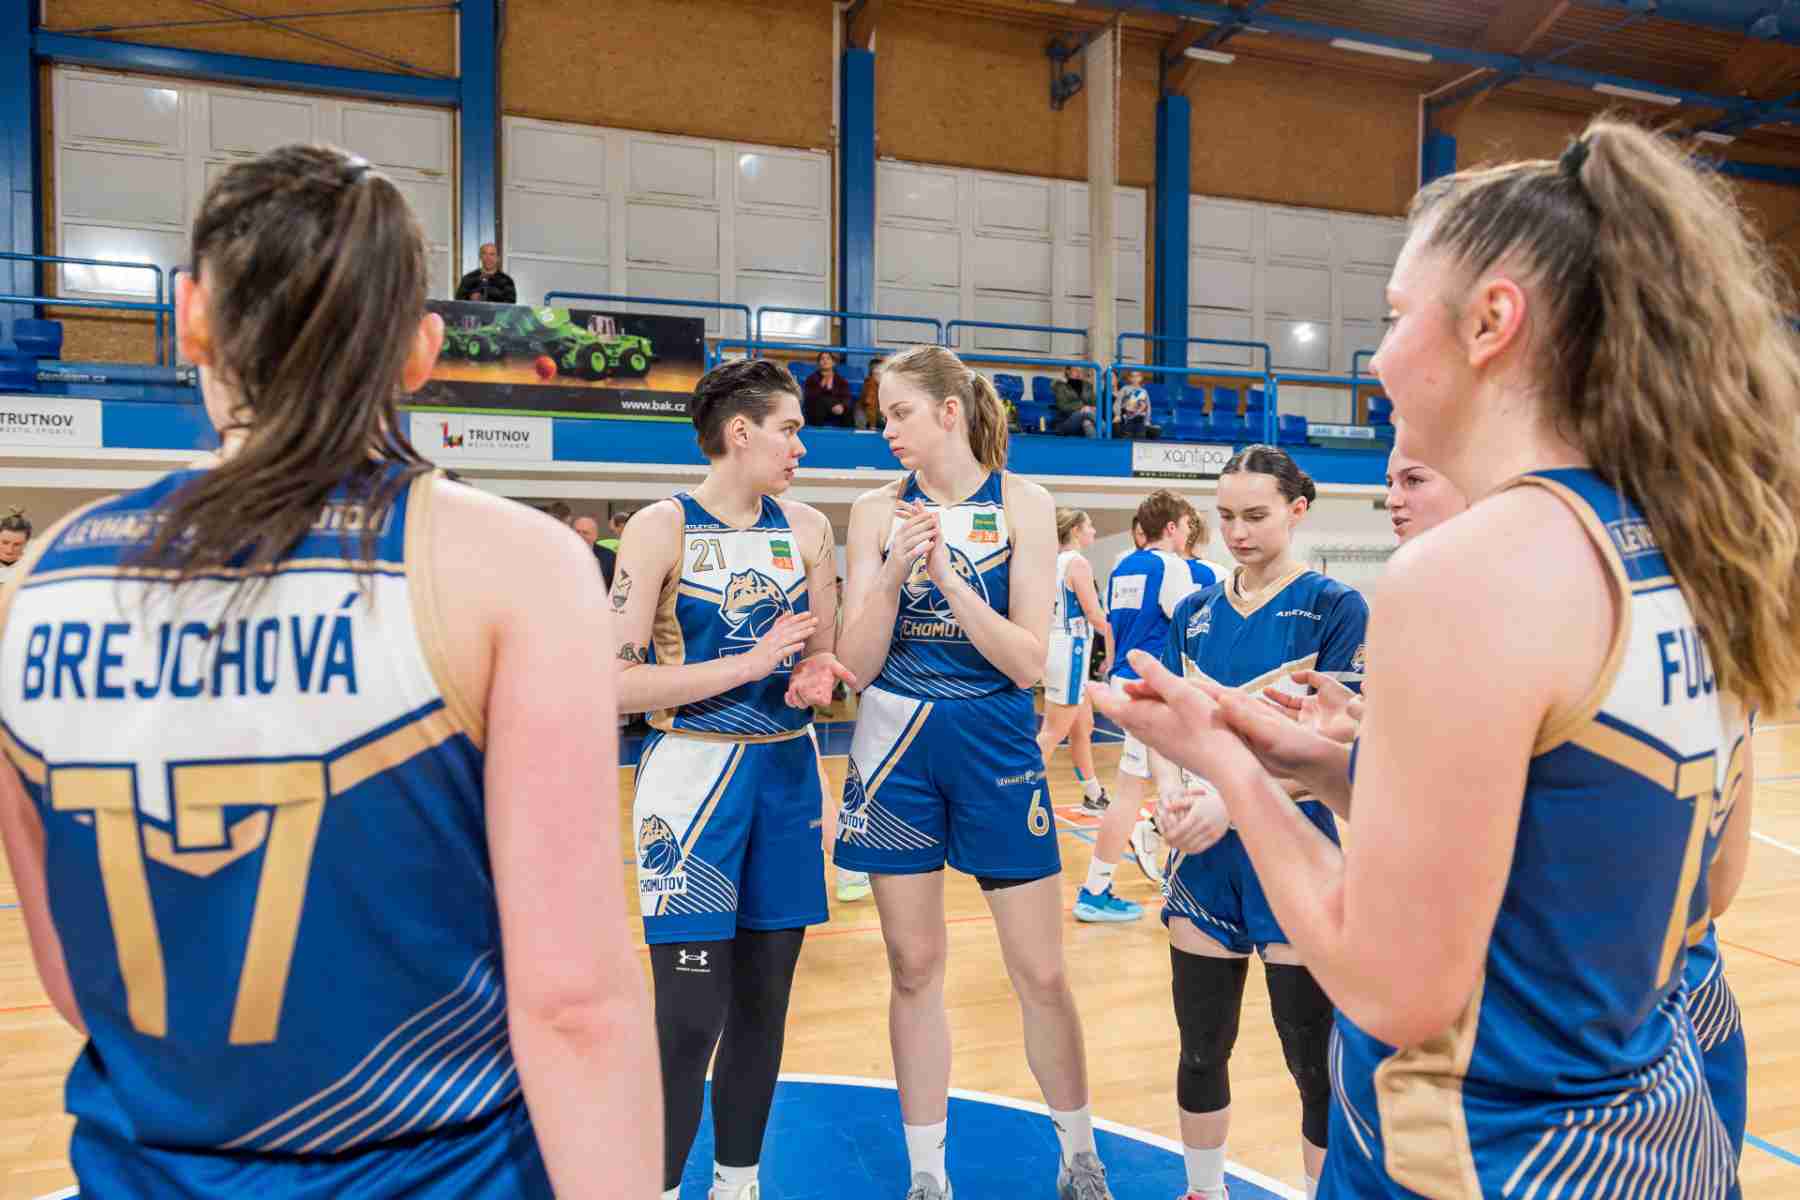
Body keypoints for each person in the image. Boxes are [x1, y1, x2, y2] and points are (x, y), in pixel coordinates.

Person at [1094, 120, 1798, 1198]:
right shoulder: (1684, 547)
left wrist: (1222, 762)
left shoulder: (1470, 572)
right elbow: (1657, 867)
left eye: (1393, 317)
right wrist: (1311, 760)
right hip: (1658, 1140)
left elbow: (1392, 988)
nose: (1377, 359)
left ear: (1490, 323)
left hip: (1486, 1157)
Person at [0, 144, 657, 1197]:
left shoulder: (40, 579)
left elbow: (79, 986)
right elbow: (572, 1003)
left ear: (191, 317)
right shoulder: (514, 566)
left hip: (147, 1171)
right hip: (440, 1170)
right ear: (423, 350)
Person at [832, 344, 1114, 1200]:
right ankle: (928, 1173)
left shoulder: (1024, 503)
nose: (887, 431)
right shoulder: (873, 511)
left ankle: (1080, 1156)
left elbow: (1028, 662)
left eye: (900, 413)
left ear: (949, 412)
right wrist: (890, 573)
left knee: (1042, 972)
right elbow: (854, 664)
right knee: (913, 968)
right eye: (882, 416)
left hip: (994, 743)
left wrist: (952, 585)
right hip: (893, 747)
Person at [611, 357, 855, 1200]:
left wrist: (817, 677)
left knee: (764, 1005)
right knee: (687, 1019)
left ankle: (736, 1184)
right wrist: (746, 665)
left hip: (786, 775)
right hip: (690, 780)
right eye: (790, 429)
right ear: (740, 432)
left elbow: (821, 658)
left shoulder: (810, 528)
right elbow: (615, 683)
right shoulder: (660, 527)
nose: (801, 446)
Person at [1145, 446, 1368, 1200]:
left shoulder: (1336, 607)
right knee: (1201, 1047)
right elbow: (1169, 726)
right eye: (1225, 517)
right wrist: (1172, 796)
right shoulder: (1195, 612)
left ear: (1297, 511)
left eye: (1255, 516)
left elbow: (1336, 750)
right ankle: (1203, 1191)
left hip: (1296, 856)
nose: (1237, 532)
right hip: (1205, 863)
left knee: (1312, 1065)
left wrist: (1235, 798)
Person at [1080, 490, 1214, 921]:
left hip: (1124, 676)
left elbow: (1113, 626)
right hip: (1150, 685)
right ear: (1172, 527)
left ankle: (1105, 881)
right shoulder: (1170, 566)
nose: (1189, 532)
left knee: (1148, 785)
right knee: (1166, 785)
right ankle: (1105, 888)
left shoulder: (1123, 565)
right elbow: (1191, 621)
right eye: (1186, 525)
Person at [1037, 508, 1112, 816]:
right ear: (1076, 530)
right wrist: (1116, 641)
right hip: (1071, 648)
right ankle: (1018, 796)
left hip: (1056, 647)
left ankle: (1093, 795)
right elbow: (1094, 614)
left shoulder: (1050, 562)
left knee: (1083, 727)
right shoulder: (1076, 562)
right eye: (1089, 525)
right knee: (1052, 733)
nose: (1093, 530)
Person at [802, 351, 856, 428]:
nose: (825, 361)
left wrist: (842, 406)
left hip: (837, 410)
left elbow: (847, 396)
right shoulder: (811, 379)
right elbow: (809, 397)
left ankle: (849, 434)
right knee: (822, 401)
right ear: (818, 363)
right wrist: (821, 385)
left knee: (849, 408)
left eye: (828, 358)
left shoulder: (841, 380)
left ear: (833, 363)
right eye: (822, 359)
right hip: (817, 411)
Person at [1051, 365, 1097, 438]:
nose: (1078, 373)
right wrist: (1082, 407)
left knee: (1087, 422)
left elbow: (1095, 404)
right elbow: (1062, 406)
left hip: (1085, 421)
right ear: (1068, 371)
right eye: (1075, 370)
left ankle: (1095, 444)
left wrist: (1092, 408)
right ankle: (1107, 429)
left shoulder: (1087, 386)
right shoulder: (1060, 386)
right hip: (1066, 421)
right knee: (1084, 413)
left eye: (1081, 371)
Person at [572, 513, 617, 588]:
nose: (580, 536)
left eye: (585, 533)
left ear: (595, 536)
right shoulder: (561, 553)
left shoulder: (610, 557)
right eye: (577, 532)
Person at [1114, 370, 1154, 439]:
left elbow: (1148, 406)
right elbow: (1118, 402)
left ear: (1141, 378)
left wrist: (1147, 420)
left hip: (1140, 419)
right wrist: (1117, 414)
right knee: (1127, 437)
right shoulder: (1125, 389)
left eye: (1137, 376)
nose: (1135, 378)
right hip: (1127, 418)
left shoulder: (1144, 391)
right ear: (1129, 378)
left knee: (1140, 438)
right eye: (1133, 376)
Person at [0, 507, 31, 583]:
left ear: (26, 543)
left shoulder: (33, 569)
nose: (9, 550)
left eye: (17, 545)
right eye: (5, 543)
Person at [861, 356, 887, 430]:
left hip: (885, 413)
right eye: (874, 368)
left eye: (880, 368)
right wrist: (872, 425)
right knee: (861, 419)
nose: (877, 371)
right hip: (870, 413)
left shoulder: (892, 384)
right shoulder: (869, 383)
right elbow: (870, 406)